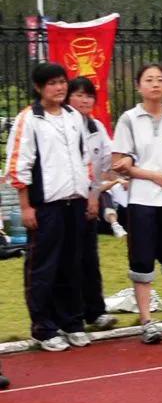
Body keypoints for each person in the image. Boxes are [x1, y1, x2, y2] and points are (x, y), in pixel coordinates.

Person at [4, 63, 97, 352]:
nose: (59, 88)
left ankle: (72, 322)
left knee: (73, 264)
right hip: (46, 205)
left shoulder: (74, 117)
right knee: (44, 267)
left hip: (75, 201)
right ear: (39, 87)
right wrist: (26, 206)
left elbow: (85, 158)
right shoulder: (29, 119)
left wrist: (89, 194)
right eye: (52, 83)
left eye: (62, 82)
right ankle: (43, 328)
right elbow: (20, 165)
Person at [111, 63, 162, 345]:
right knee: (143, 258)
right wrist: (149, 175)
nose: (156, 84)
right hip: (142, 198)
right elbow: (118, 164)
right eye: (149, 80)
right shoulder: (129, 119)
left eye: (161, 79)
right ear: (139, 86)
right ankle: (147, 321)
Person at [66, 76, 120, 330]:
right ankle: (71, 315)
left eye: (88, 95)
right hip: (65, 201)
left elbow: (107, 164)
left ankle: (95, 311)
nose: (84, 100)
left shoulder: (96, 127)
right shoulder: (63, 126)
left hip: (90, 200)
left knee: (90, 257)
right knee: (68, 259)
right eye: (78, 95)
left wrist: (96, 196)